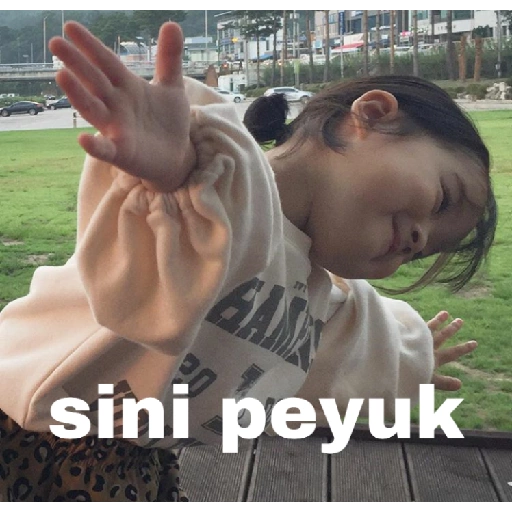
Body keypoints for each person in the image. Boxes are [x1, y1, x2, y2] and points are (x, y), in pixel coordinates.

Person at [0, 20, 497, 502]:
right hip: (18, 428)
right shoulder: (224, 190)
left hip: (124, 463)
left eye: (424, 252)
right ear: (373, 114)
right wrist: (177, 171)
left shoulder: (317, 295)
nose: (418, 238)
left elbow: (363, 337)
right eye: (441, 200)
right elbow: (209, 194)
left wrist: (414, 357)